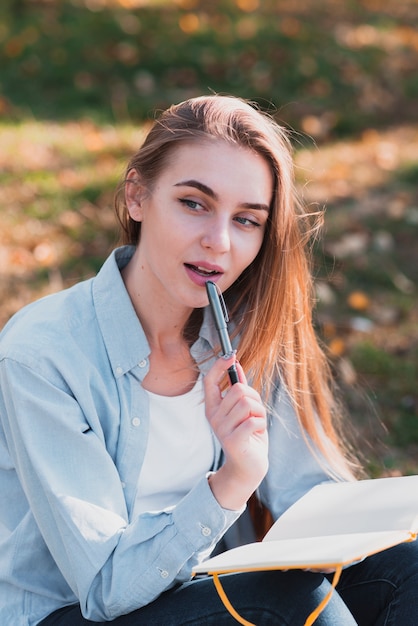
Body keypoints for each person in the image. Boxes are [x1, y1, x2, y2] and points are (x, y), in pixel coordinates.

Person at [0, 95, 417, 626]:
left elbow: (308, 499)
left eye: (246, 220)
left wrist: (384, 521)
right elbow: (105, 587)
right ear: (136, 196)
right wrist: (231, 483)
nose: (218, 242)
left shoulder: (248, 335)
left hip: (207, 599)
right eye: (194, 203)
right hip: (72, 612)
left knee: (410, 569)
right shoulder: (42, 355)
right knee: (290, 605)